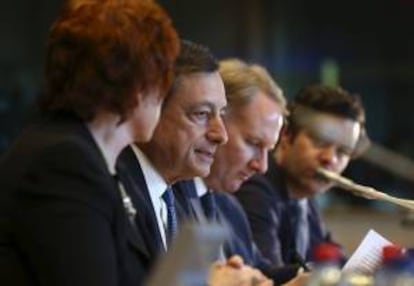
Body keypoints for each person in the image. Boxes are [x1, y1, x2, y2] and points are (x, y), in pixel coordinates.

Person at [0, 0, 179, 285]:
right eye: (162, 76)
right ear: (137, 83)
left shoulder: (97, 159)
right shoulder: (63, 164)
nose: (165, 92)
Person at [116, 41, 272, 285]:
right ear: (150, 109)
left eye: (220, 114)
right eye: (201, 114)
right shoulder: (114, 189)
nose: (221, 134)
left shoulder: (174, 197)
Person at [175, 59, 309, 285]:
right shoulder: (168, 199)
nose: (262, 166)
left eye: (268, 149)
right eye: (253, 143)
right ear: (213, 121)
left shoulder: (229, 207)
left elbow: (261, 271)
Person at [235, 84, 370, 268]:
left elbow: (333, 260)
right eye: (320, 141)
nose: (330, 158)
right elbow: (268, 278)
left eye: (343, 151)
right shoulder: (256, 191)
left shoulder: (306, 198)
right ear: (286, 135)